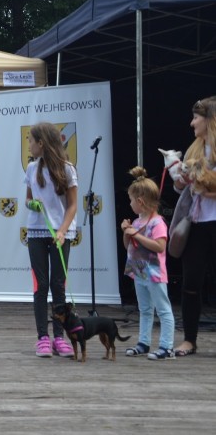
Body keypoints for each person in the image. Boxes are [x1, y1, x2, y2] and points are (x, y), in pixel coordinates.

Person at [24, 122, 77, 359]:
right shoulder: (31, 168)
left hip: (59, 234)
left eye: (31, 141)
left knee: (58, 285)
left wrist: (63, 230)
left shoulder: (67, 169)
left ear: (41, 143)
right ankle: (42, 338)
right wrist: (31, 204)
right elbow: (27, 199)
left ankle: (59, 337)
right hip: (36, 232)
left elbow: (73, 205)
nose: (29, 144)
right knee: (40, 286)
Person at [173, 96, 216, 357]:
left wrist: (207, 188)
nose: (192, 123)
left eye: (196, 118)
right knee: (191, 281)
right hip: (197, 223)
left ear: (210, 120)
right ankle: (189, 339)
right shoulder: (193, 150)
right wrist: (181, 179)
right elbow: (181, 188)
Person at [120, 167, 175, 360]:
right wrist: (127, 231)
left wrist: (136, 235)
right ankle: (143, 342)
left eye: (131, 199)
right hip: (139, 269)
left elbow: (159, 247)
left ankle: (167, 346)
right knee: (144, 308)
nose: (130, 203)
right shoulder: (136, 222)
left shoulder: (157, 223)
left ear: (140, 201)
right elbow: (128, 245)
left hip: (154, 271)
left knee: (163, 309)